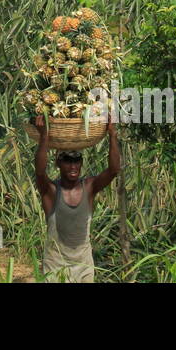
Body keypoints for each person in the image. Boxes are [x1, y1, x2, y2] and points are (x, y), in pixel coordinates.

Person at [32, 114, 120, 283]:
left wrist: (112, 133)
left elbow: (114, 170)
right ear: (58, 164)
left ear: (81, 162)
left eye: (76, 160)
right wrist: (44, 136)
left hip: (83, 265)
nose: (73, 166)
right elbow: (40, 172)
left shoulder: (89, 187)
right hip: (56, 265)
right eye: (67, 160)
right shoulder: (50, 191)